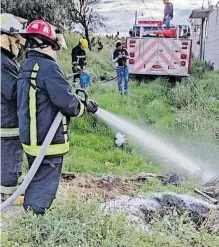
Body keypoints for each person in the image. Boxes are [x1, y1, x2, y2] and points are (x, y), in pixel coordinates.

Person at [17, 20, 98, 215]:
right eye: (54, 46)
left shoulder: (27, 65)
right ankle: (34, 219)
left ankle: (31, 210)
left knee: (36, 177)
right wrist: (84, 107)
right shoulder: (48, 68)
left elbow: (54, 95)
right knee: (44, 183)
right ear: (46, 44)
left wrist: (74, 99)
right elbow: (67, 103)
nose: (56, 50)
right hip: (47, 141)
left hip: (31, 138)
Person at [0, 13, 25, 203]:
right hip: (6, 122)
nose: (19, 44)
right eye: (16, 39)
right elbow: (15, 93)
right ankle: (7, 200)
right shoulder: (3, 63)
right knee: (9, 159)